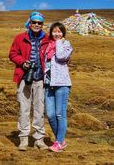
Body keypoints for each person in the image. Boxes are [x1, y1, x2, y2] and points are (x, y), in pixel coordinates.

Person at [9, 11, 49, 151]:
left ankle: (39, 139)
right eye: (34, 22)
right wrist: (22, 63)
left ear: (42, 25)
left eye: (39, 23)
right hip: (24, 78)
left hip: (40, 80)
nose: (36, 25)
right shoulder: (20, 38)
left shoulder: (47, 39)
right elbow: (13, 54)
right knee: (24, 109)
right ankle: (24, 139)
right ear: (29, 23)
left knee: (39, 110)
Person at [44, 22, 73, 152]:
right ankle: (60, 140)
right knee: (50, 115)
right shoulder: (47, 46)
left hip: (62, 84)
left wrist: (59, 42)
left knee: (60, 114)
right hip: (48, 84)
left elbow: (61, 56)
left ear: (63, 33)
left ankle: (59, 142)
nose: (57, 34)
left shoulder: (66, 45)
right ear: (51, 32)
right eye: (54, 31)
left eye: (59, 32)